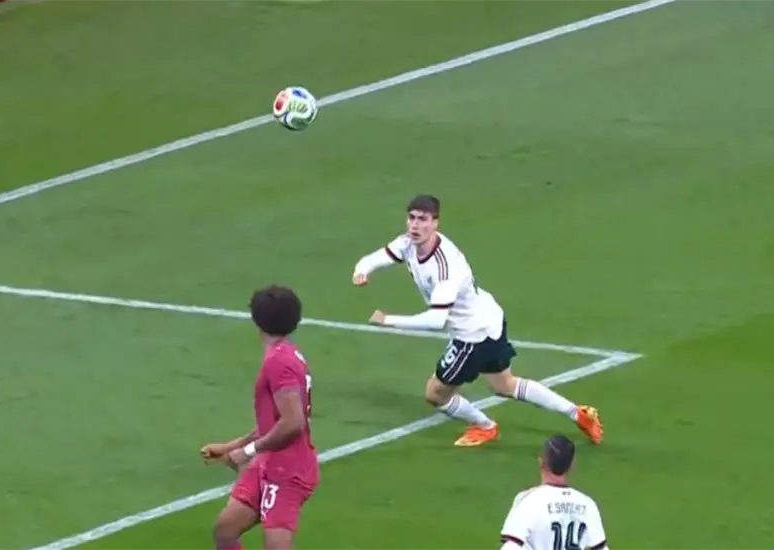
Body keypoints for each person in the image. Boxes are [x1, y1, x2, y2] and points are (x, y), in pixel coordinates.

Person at [352, 194, 602, 447]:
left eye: (423, 219)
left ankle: (485, 427)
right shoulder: (408, 243)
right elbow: (374, 258)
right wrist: (361, 271)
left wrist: (388, 320)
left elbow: (437, 320)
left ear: (436, 223)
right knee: (505, 384)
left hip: (472, 335)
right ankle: (577, 413)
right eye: (412, 218)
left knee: (435, 394)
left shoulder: (445, 267)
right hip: (490, 318)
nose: (416, 225)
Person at [200, 285, 318, 550]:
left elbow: (292, 423)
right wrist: (233, 446)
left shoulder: (279, 362)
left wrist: (248, 451)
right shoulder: (285, 354)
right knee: (225, 530)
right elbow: (274, 422)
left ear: (256, 320)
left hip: (288, 470)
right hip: (270, 462)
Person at [499, 434, 609, 550]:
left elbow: (511, 546)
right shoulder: (587, 504)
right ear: (572, 466)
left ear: (541, 461)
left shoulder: (528, 501)